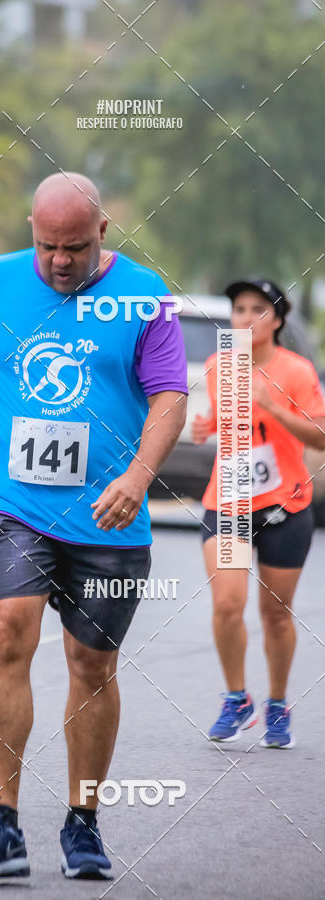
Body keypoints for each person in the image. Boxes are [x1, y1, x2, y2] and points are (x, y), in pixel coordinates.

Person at [0, 172, 188, 879]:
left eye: (74, 247)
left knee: (91, 665)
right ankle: (0, 826)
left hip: (110, 511)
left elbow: (170, 398)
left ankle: (83, 823)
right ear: (31, 233)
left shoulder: (144, 294)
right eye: (47, 247)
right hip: (16, 504)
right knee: (6, 631)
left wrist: (137, 478)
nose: (60, 261)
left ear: (102, 232)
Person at [192, 279, 325, 749]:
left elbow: (319, 437)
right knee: (228, 604)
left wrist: (273, 406)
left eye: (258, 310)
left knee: (275, 614)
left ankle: (278, 703)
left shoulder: (297, 370)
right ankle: (236, 698)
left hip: (286, 504)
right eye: (239, 309)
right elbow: (232, 426)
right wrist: (210, 425)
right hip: (228, 499)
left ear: (279, 320)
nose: (246, 318)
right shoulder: (218, 366)